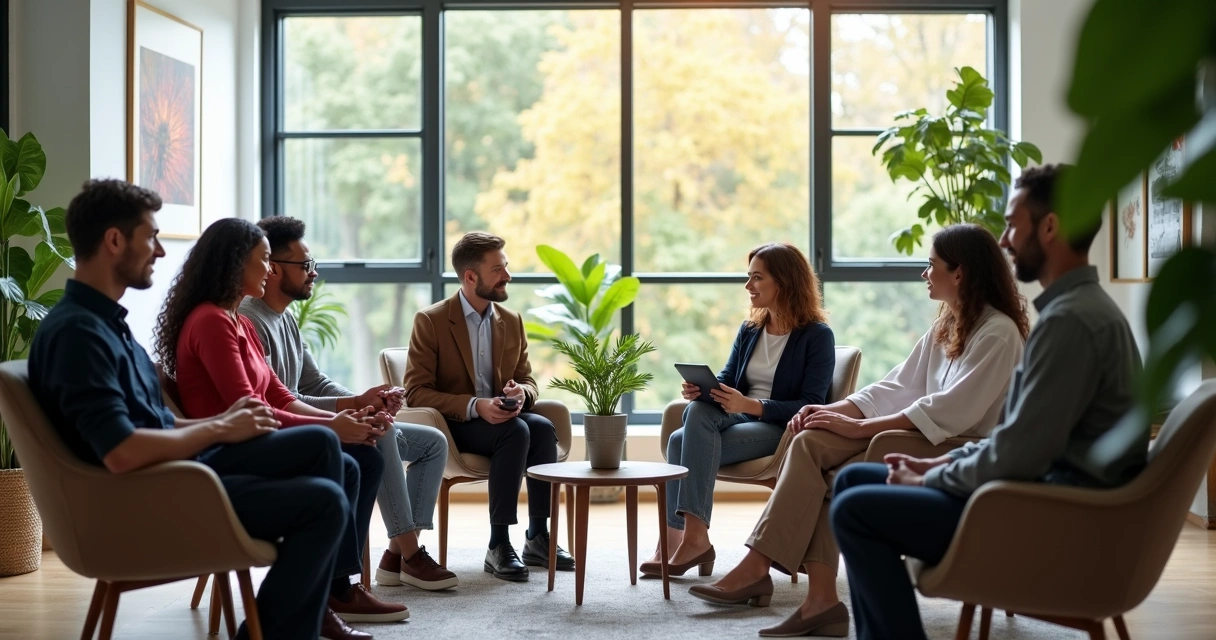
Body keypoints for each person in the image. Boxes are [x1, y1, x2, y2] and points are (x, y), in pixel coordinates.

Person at [830, 164, 1145, 640]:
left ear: (1051, 226)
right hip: (1036, 494)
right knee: (854, 478)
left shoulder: (1070, 325)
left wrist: (932, 473)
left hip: (1044, 517)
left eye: (1013, 223)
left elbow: (1020, 453)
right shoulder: (1076, 313)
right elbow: (1016, 436)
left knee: (854, 510)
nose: (1004, 240)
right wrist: (941, 465)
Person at [28, 179, 349, 640]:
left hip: (175, 474)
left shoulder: (107, 325)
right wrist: (218, 430)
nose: (160, 251)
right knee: (325, 502)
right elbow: (121, 452)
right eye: (151, 237)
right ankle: (289, 623)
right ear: (114, 241)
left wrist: (221, 424)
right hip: (151, 498)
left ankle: (299, 615)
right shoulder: (79, 335)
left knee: (321, 446)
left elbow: (154, 423)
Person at [689, 224, 1029, 636]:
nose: (925, 274)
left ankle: (766, 572)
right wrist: (832, 410)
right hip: (922, 432)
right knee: (811, 439)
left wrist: (860, 426)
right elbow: (897, 386)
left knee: (821, 465)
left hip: (956, 445)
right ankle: (818, 600)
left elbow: (952, 410)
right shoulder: (946, 326)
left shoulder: (998, 332)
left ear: (959, 273)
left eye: (931, 265)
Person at [154, 218, 408, 639]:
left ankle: (330, 590)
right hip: (227, 451)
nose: (269, 269)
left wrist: (347, 421)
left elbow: (280, 397)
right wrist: (335, 429)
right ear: (237, 265)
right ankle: (327, 594)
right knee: (331, 447)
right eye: (264, 260)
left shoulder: (240, 323)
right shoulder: (211, 322)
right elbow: (251, 409)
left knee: (361, 457)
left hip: (256, 441)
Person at [240, 216, 457, 591]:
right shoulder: (250, 320)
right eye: (306, 265)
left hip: (312, 419)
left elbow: (313, 382)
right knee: (383, 432)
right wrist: (354, 411)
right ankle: (410, 555)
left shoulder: (285, 317)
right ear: (274, 268)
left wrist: (363, 400)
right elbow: (283, 400)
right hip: (292, 430)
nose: (314, 272)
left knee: (433, 443)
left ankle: (394, 557)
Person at [641, 243, 835, 579]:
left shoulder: (816, 336)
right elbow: (729, 379)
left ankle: (689, 540)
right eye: (749, 277)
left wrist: (751, 405)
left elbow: (810, 401)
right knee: (693, 418)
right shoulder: (750, 330)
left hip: (780, 429)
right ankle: (681, 540)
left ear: (784, 282)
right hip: (740, 419)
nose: (748, 286)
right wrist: (702, 390)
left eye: (757, 278)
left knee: (678, 440)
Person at [402, 232, 572, 582]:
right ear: (470, 277)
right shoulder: (431, 321)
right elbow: (416, 393)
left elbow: (528, 379)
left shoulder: (511, 321)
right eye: (498, 270)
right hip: (455, 426)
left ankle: (537, 536)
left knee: (540, 428)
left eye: (505, 267)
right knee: (517, 430)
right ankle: (498, 543)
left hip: (504, 419)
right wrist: (477, 406)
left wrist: (521, 393)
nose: (507, 275)